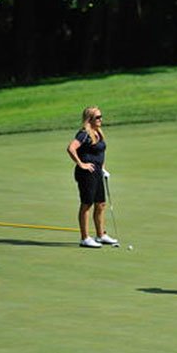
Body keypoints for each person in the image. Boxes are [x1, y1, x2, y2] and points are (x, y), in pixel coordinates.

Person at [66, 106, 118, 248]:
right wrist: (81, 164)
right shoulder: (84, 134)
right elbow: (71, 148)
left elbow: (100, 152)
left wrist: (103, 168)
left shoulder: (98, 132)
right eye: (97, 117)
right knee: (87, 204)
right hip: (86, 174)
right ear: (89, 119)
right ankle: (85, 238)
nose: (100, 119)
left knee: (100, 204)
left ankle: (101, 235)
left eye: (101, 116)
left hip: (97, 173)